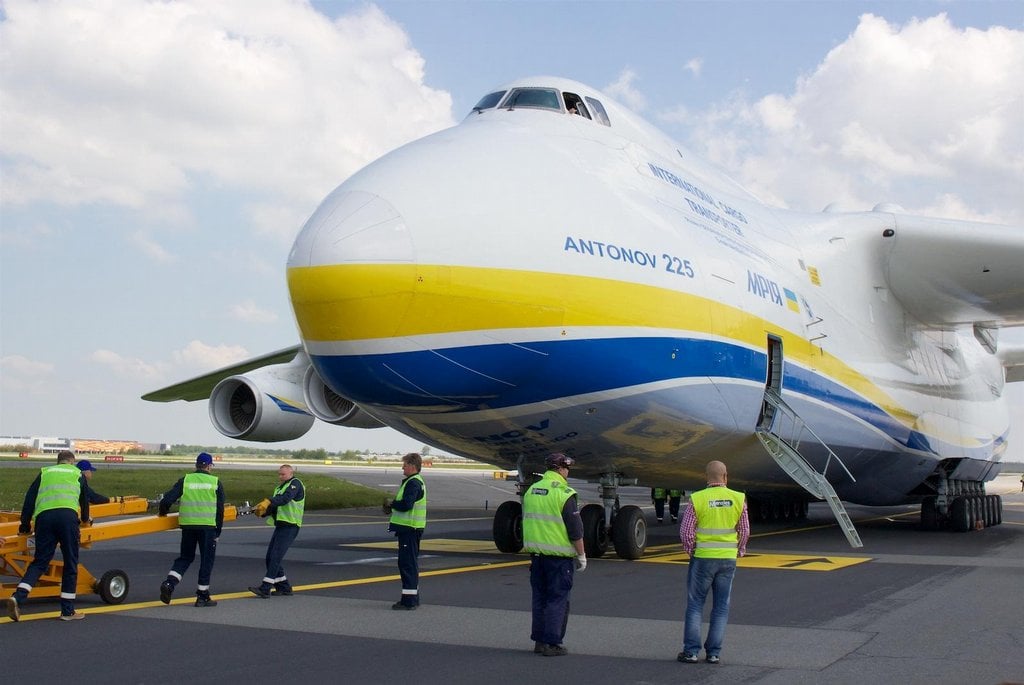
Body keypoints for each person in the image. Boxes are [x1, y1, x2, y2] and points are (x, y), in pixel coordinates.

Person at [5, 450, 91, 622]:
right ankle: (67, 611)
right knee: (70, 562)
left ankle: (18, 597)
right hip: (67, 519)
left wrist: (24, 525)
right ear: (71, 462)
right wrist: (84, 520)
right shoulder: (77, 473)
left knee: (40, 562)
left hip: (44, 519)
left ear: (58, 462)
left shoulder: (45, 472)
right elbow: (85, 500)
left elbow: (29, 499)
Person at [678, 460, 749, 665]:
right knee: (721, 606)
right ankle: (714, 653)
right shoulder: (738, 498)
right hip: (727, 559)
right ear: (726, 476)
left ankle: (691, 652)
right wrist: (740, 549)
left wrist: (692, 550)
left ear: (706, 477)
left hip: (703, 559)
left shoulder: (698, 498)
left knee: (695, 604)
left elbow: (686, 531)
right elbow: (744, 530)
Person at [522, 452, 586, 657]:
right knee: (557, 600)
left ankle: (539, 641)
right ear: (560, 468)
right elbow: (575, 529)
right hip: (558, 558)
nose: (568, 471)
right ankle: (552, 643)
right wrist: (582, 555)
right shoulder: (564, 493)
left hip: (537, 557)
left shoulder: (532, 490)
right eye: (567, 468)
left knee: (539, 599)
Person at [157, 452, 224, 608]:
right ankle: (202, 595)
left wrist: (162, 513)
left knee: (185, 557)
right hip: (207, 527)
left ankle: (169, 584)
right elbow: (220, 511)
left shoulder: (186, 480)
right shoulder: (215, 482)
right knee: (207, 560)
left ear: (196, 465)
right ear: (209, 466)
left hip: (188, 526)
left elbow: (167, 499)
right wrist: (218, 532)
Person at [249, 464, 305, 598]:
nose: (280, 477)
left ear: (291, 473)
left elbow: (285, 499)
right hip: (281, 525)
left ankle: (265, 587)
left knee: (275, 557)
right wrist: (262, 512)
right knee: (270, 558)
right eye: (279, 474)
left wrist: (268, 501)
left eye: (283, 474)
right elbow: (275, 506)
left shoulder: (295, 484)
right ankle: (284, 587)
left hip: (290, 525)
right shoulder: (279, 488)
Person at [384, 452, 427, 610]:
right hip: (411, 529)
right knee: (410, 563)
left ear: (412, 466)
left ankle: (409, 602)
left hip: (409, 529)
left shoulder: (413, 483)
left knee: (407, 564)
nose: (402, 467)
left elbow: (407, 504)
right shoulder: (415, 481)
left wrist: (393, 504)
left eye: (405, 464)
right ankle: (412, 598)